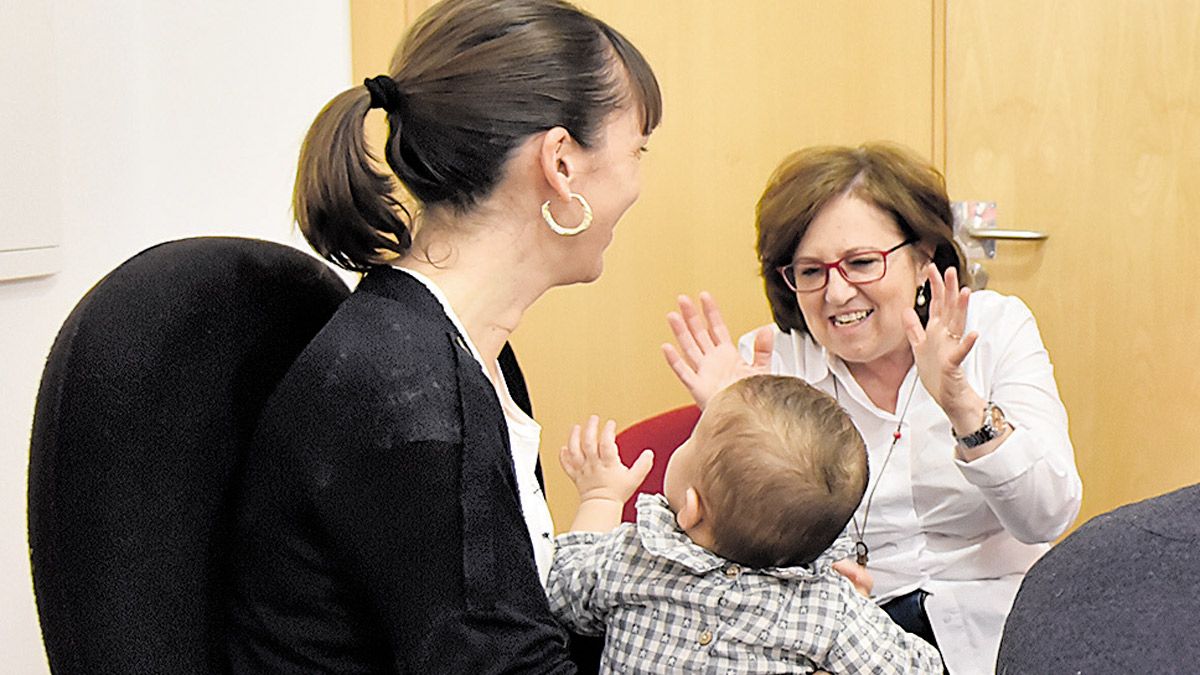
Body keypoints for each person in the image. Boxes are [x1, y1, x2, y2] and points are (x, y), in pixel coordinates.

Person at [225, 0, 661, 671]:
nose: (637, 182)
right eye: (636, 149)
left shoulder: (454, 350)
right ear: (563, 163)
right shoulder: (412, 396)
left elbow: (517, 617)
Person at [662, 142, 1082, 674]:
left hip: (995, 620)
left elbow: (1048, 515)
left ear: (924, 254)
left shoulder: (994, 329)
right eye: (810, 272)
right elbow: (709, 549)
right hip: (840, 635)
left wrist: (964, 407)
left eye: (861, 263)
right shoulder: (767, 365)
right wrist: (735, 420)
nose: (836, 293)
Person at [546, 375, 945, 674]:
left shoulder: (635, 558)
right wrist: (859, 610)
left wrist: (600, 498)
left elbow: (555, 586)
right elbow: (919, 668)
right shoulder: (828, 608)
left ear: (691, 507)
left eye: (689, 441)